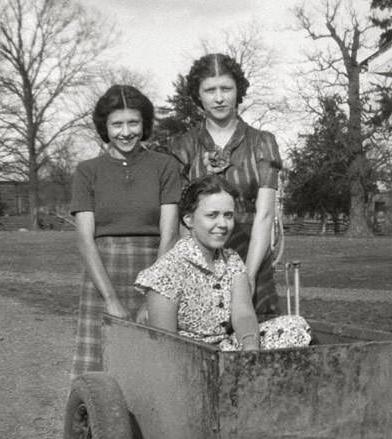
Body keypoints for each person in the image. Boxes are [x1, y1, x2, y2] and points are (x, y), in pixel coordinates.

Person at [70, 84, 181, 379]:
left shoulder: (165, 166)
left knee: (154, 371)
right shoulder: (87, 171)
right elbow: (84, 239)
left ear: (144, 124)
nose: (126, 131)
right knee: (98, 375)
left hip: (156, 272)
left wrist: (151, 298)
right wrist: (110, 301)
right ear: (104, 127)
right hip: (103, 276)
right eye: (116, 124)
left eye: (133, 122)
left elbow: (170, 235)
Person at [135, 175, 310, 351]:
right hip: (189, 356)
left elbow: (243, 314)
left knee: (295, 326)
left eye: (228, 215)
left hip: (227, 350)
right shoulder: (166, 271)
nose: (222, 224)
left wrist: (250, 347)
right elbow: (165, 344)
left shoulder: (231, 260)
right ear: (188, 219)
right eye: (212, 215)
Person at [170, 53, 282, 320]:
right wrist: (198, 270)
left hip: (251, 254)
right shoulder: (183, 146)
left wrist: (248, 277)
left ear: (238, 91)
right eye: (210, 90)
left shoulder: (261, 142)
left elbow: (265, 215)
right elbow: (182, 218)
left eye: (226, 89)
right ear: (198, 95)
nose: (219, 98)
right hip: (199, 257)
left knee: (258, 339)